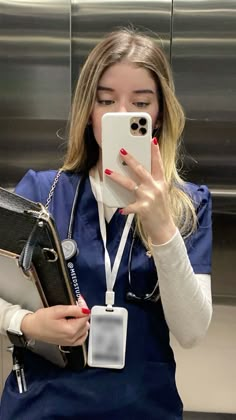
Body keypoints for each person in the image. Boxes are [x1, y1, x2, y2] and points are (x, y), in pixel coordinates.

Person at [0, 28, 212, 419]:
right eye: (105, 100)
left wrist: (163, 228)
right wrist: (26, 323)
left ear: (160, 113)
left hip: (143, 407)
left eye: (140, 102)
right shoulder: (42, 191)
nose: (119, 114)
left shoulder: (188, 205)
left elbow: (192, 331)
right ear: (88, 110)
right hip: (42, 406)